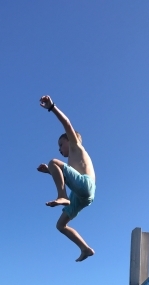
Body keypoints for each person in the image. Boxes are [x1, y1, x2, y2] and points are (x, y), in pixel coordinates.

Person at [37, 95, 96, 262]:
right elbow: (66, 176)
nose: (59, 149)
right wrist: (49, 172)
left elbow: (67, 124)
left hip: (85, 185)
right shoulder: (72, 163)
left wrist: (52, 107)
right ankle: (85, 249)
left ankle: (62, 196)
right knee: (60, 225)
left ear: (70, 141)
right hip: (82, 196)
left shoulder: (77, 147)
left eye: (61, 145)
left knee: (54, 162)